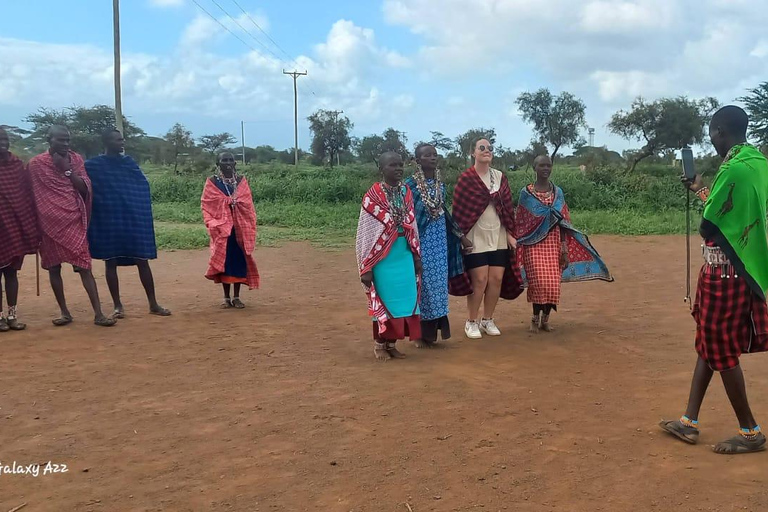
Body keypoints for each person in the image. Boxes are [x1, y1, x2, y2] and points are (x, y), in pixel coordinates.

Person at [660, 105, 768, 454]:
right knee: (708, 341)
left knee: (719, 348)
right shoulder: (757, 163)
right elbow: (733, 213)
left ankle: (750, 432)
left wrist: (704, 199)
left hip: (725, 272)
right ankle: (689, 421)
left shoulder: (734, 168)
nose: (711, 140)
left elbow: (711, 223)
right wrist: (701, 190)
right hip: (742, 266)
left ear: (720, 130)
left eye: (712, 133)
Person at [27, 126, 115, 327]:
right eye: (61, 140)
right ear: (49, 140)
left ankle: (99, 314)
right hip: (47, 225)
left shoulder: (75, 160)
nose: (66, 144)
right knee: (53, 267)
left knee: (84, 265)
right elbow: (30, 195)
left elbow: (85, 188)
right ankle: (65, 312)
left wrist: (66, 170)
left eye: (68, 140)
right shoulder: (35, 165)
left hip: (73, 219)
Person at [515, 155, 613, 332]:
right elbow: (521, 221)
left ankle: (545, 320)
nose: (546, 168)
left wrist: (564, 247)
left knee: (552, 283)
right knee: (538, 282)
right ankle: (534, 318)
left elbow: (564, 222)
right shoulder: (526, 194)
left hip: (554, 243)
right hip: (533, 244)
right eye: (542, 165)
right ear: (534, 168)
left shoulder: (557, 193)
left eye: (548, 165)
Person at [85, 129, 171, 319]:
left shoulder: (129, 163)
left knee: (142, 260)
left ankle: (153, 303)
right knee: (111, 261)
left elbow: (141, 188)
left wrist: (138, 210)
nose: (122, 143)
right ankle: (117, 306)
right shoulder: (94, 166)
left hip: (132, 218)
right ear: (106, 142)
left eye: (122, 140)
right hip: (109, 219)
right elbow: (87, 187)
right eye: (117, 140)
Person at [449, 138, 523, 339]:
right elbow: (460, 211)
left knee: (496, 279)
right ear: (473, 152)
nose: (486, 151)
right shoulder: (466, 178)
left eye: (490, 148)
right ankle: (471, 321)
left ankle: (487, 319)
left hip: (498, 235)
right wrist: (462, 237)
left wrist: (510, 234)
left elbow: (508, 208)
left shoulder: (500, 177)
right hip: (475, 236)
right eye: (482, 148)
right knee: (479, 280)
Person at [356, 151, 422, 360]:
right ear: (381, 169)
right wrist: (366, 267)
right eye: (392, 165)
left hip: (403, 253)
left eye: (400, 165)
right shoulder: (372, 196)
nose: (398, 169)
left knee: (404, 300)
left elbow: (413, 226)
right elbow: (365, 233)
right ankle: (379, 345)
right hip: (382, 259)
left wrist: (416, 256)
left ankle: (392, 344)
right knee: (386, 300)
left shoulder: (406, 193)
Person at [405, 143, 472, 348]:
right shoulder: (410, 186)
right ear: (417, 161)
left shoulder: (439, 185)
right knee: (421, 285)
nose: (433, 158)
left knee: (437, 286)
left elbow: (443, 212)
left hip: (439, 243)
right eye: (427, 155)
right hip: (419, 242)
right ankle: (418, 335)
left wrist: (460, 236)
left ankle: (432, 333)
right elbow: (409, 217)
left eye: (434, 155)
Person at [201, 152, 260, 307]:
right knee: (225, 262)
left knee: (239, 260)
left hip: (240, 230)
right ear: (218, 164)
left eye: (230, 160)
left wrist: (236, 203)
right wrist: (224, 206)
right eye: (224, 160)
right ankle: (226, 298)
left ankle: (237, 297)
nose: (228, 163)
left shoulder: (241, 181)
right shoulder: (212, 182)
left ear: (235, 163)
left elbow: (248, 203)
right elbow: (207, 204)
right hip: (222, 230)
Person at [0, 127, 40, 332]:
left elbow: (24, 196)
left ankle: (12, 315)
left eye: (5, 139)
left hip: (13, 226)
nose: (3, 143)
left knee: (11, 273)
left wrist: (30, 225)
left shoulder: (17, 166)